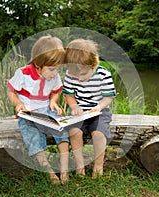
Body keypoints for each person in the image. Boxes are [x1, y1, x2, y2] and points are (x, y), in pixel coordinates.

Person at [7, 35, 69, 185]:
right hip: (29, 113)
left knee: (61, 129)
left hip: (46, 110)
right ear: (38, 65)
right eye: (52, 69)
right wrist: (18, 103)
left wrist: (54, 101)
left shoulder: (54, 76)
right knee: (32, 135)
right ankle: (50, 172)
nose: (55, 73)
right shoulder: (23, 74)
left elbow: (56, 91)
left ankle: (64, 168)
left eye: (58, 69)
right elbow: (10, 91)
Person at [63, 39, 116, 177]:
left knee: (98, 135)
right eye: (76, 75)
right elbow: (69, 95)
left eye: (83, 74)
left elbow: (108, 97)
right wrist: (73, 106)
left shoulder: (103, 74)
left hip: (99, 111)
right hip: (79, 112)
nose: (79, 79)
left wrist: (99, 107)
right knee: (74, 132)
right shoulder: (70, 74)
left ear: (94, 64)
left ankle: (98, 166)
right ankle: (80, 166)